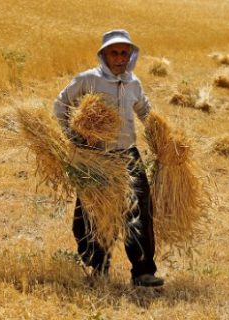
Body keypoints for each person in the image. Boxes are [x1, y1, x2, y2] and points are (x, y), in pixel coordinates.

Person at [53, 29, 164, 287]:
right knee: (93, 213)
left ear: (131, 55)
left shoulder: (134, 83)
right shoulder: (88, 80)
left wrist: (163, 140)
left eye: (124, 52)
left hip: (128, 156)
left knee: (139, 210)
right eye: (114, 52)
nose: (120, 57)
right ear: (103, 55)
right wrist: (75, 137)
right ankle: (98, 267)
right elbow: (60, 105)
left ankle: (143, 271)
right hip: (96, 157)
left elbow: (146, 112)